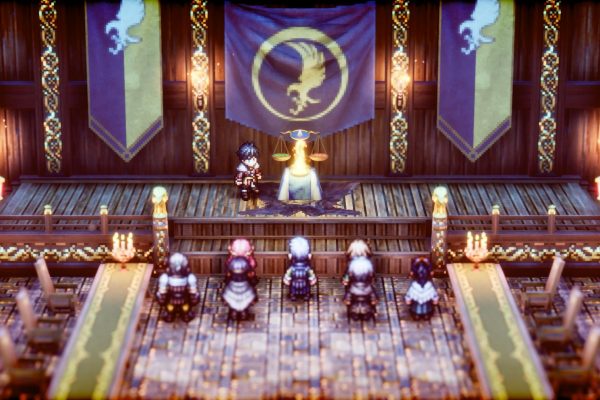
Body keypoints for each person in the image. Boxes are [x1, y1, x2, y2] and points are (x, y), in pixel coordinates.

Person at [156, 253, 200, 322]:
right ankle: (184, 314)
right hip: (184, 301)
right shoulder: (190, 278)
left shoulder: (165, 278)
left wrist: (161, 301)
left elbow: (162, 294)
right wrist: (194, 301)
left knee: (171, 308)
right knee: (185, 308)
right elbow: (194, 294)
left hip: (172, 301)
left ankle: (170, 315)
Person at [343, 256, 378, 321]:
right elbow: (372, 276)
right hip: (362, 289)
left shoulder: (353, 264)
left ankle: (359, 313)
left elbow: (347, 274)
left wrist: (345, 281)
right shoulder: (367, 263)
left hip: (357, 288)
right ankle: (360, 313)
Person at [283, 236, 317, 300]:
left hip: (294, 286)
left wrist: (287, 280)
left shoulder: (291, 268)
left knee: (293, 289)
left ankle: (293, 295)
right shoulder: (307, 268)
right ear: (309, 256)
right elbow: (312, 280)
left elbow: (286, 280)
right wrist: (312, 280)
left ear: (290, 256)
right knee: (306, 289)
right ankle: (306, 295)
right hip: (305, 286)